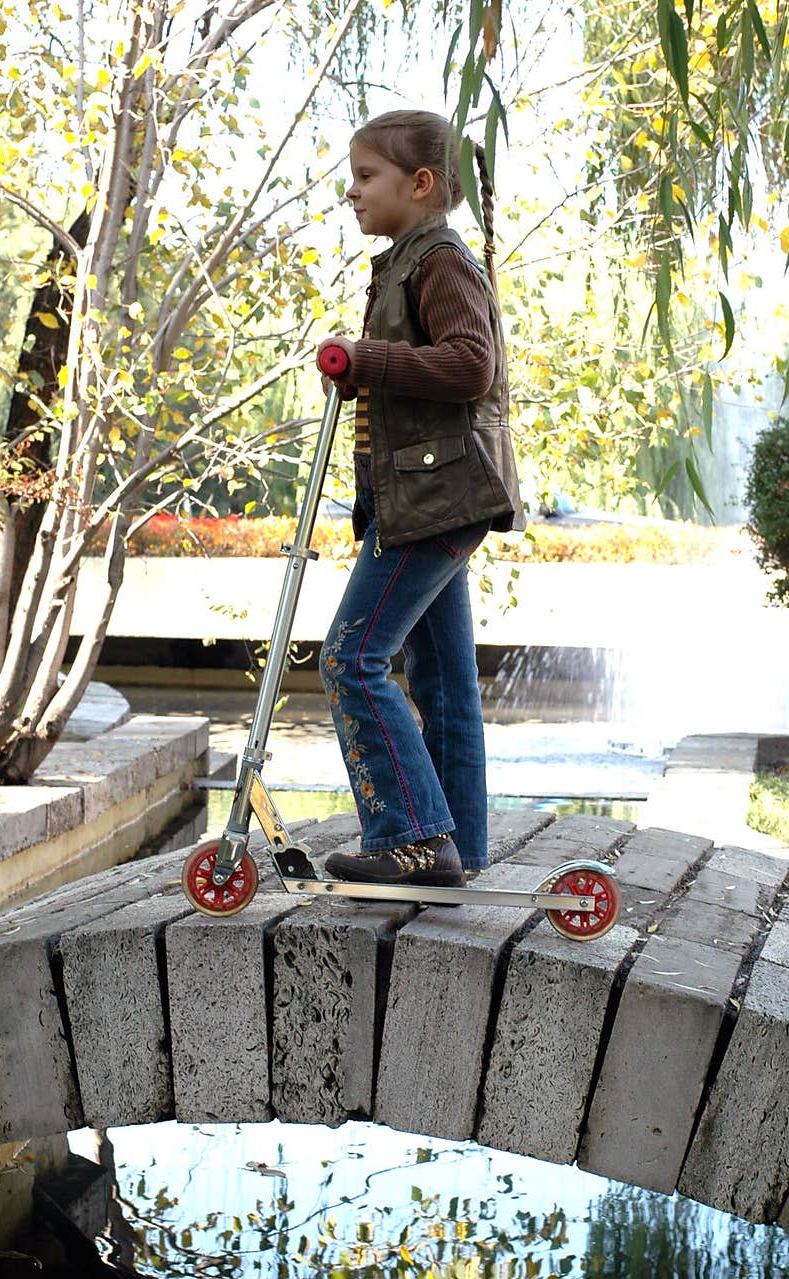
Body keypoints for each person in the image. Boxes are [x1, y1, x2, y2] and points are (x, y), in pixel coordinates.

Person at [315, 108, 525, 888]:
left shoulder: (439, 260)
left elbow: (471, 364)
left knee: (352, 657)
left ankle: (408, 835)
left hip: (439, 498)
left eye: (366, 176)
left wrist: (365, 361)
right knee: (442, 680)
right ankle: (458, 848)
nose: (352, 191)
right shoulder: (409, 259)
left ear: (421, 183)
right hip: (428, 499)